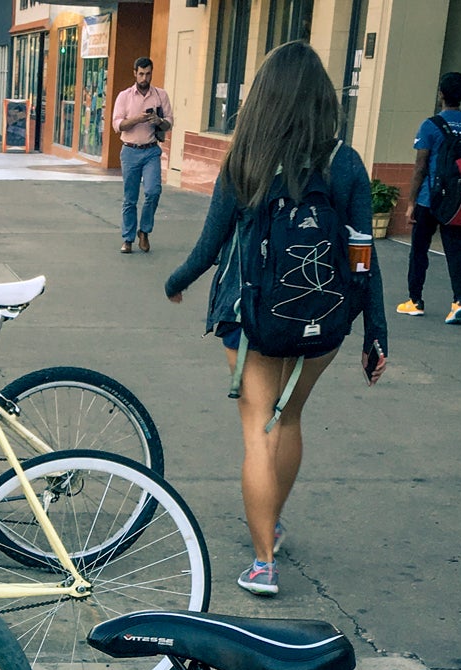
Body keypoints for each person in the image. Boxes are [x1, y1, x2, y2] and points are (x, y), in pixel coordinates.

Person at [163, 41, 387, 598]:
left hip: (252, 318)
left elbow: (211, 243)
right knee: (288, 421)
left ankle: (264, 561)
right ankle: (273, 524)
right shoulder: (346, 163)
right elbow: (363, 254)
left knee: (258, 430)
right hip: (324, 319)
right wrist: (375, 330)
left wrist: (177, 282)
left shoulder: (247, 159)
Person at [398, 71, 461, 324]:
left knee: (419, 250)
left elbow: (420, 166)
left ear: (441, 94)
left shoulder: (430, 125)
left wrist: (411, 203)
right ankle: (459, 301)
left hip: (429, 199)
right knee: (459, 250)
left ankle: (415, 300)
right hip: (459, 200)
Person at [111, 57, 172, 254]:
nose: (144, 78)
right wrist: (136, 119)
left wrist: (158, 120)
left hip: (151, 150)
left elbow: (169, 123)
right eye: (141, 74)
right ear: (135, 73)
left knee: (153, 191)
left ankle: (144, 231)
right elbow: (117, 125)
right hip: (130, 150)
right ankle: (127, 238)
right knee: (130, 198)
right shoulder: (125, 96)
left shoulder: (160, 95)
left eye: (148, 74)